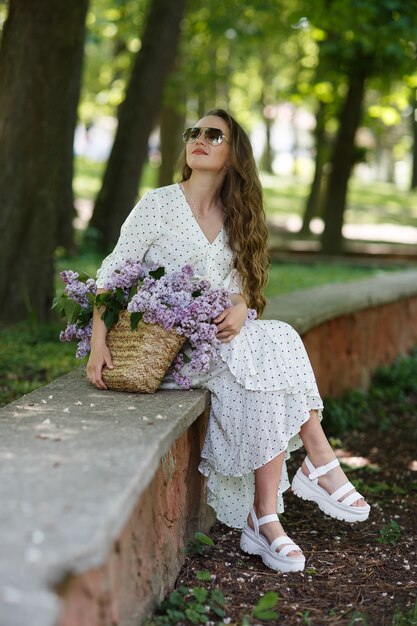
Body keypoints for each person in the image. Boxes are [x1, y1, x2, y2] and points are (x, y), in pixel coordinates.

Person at [87, 109, 370, 573]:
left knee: (269, 350)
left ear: (233, 151)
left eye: (213, 134)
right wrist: (99, 344)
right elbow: (112, 276)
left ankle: (267, 518)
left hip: (221, 345)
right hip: (168, 352)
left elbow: (239, 290)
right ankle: (315, 466)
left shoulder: (236, 216)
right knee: (273, 343)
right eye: (193, 132)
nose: (199, 139)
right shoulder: (157, 204)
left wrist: (240, 307)